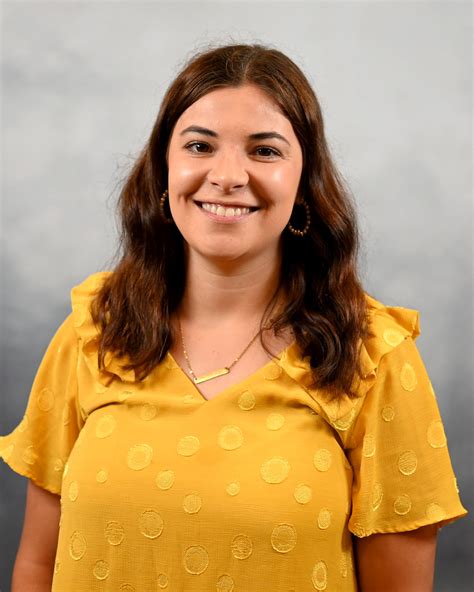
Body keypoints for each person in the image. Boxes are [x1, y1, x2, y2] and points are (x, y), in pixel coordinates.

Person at [0, 43, 467, 592]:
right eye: (199, 145)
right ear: (163, 170)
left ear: (304, 181)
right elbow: (36, 567)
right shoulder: (93, 331)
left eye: (264, 151)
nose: (226, 176)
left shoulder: (372, 354)